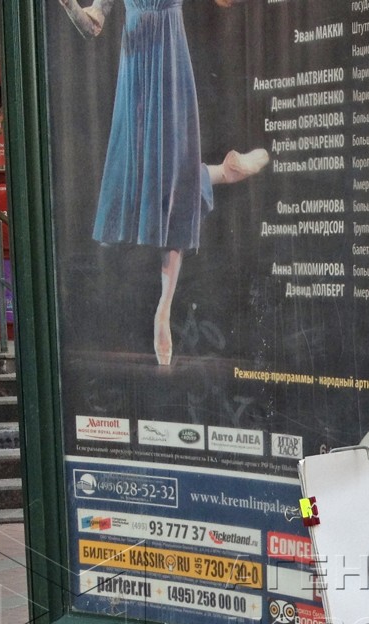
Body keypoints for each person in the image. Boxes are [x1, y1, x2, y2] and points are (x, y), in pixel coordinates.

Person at [63, 0, 269, 367]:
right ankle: (224, 171)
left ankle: (164, 310)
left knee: (172, 182)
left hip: (170, 64)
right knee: (146, 177)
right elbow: (92, 25)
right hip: (137, 69)